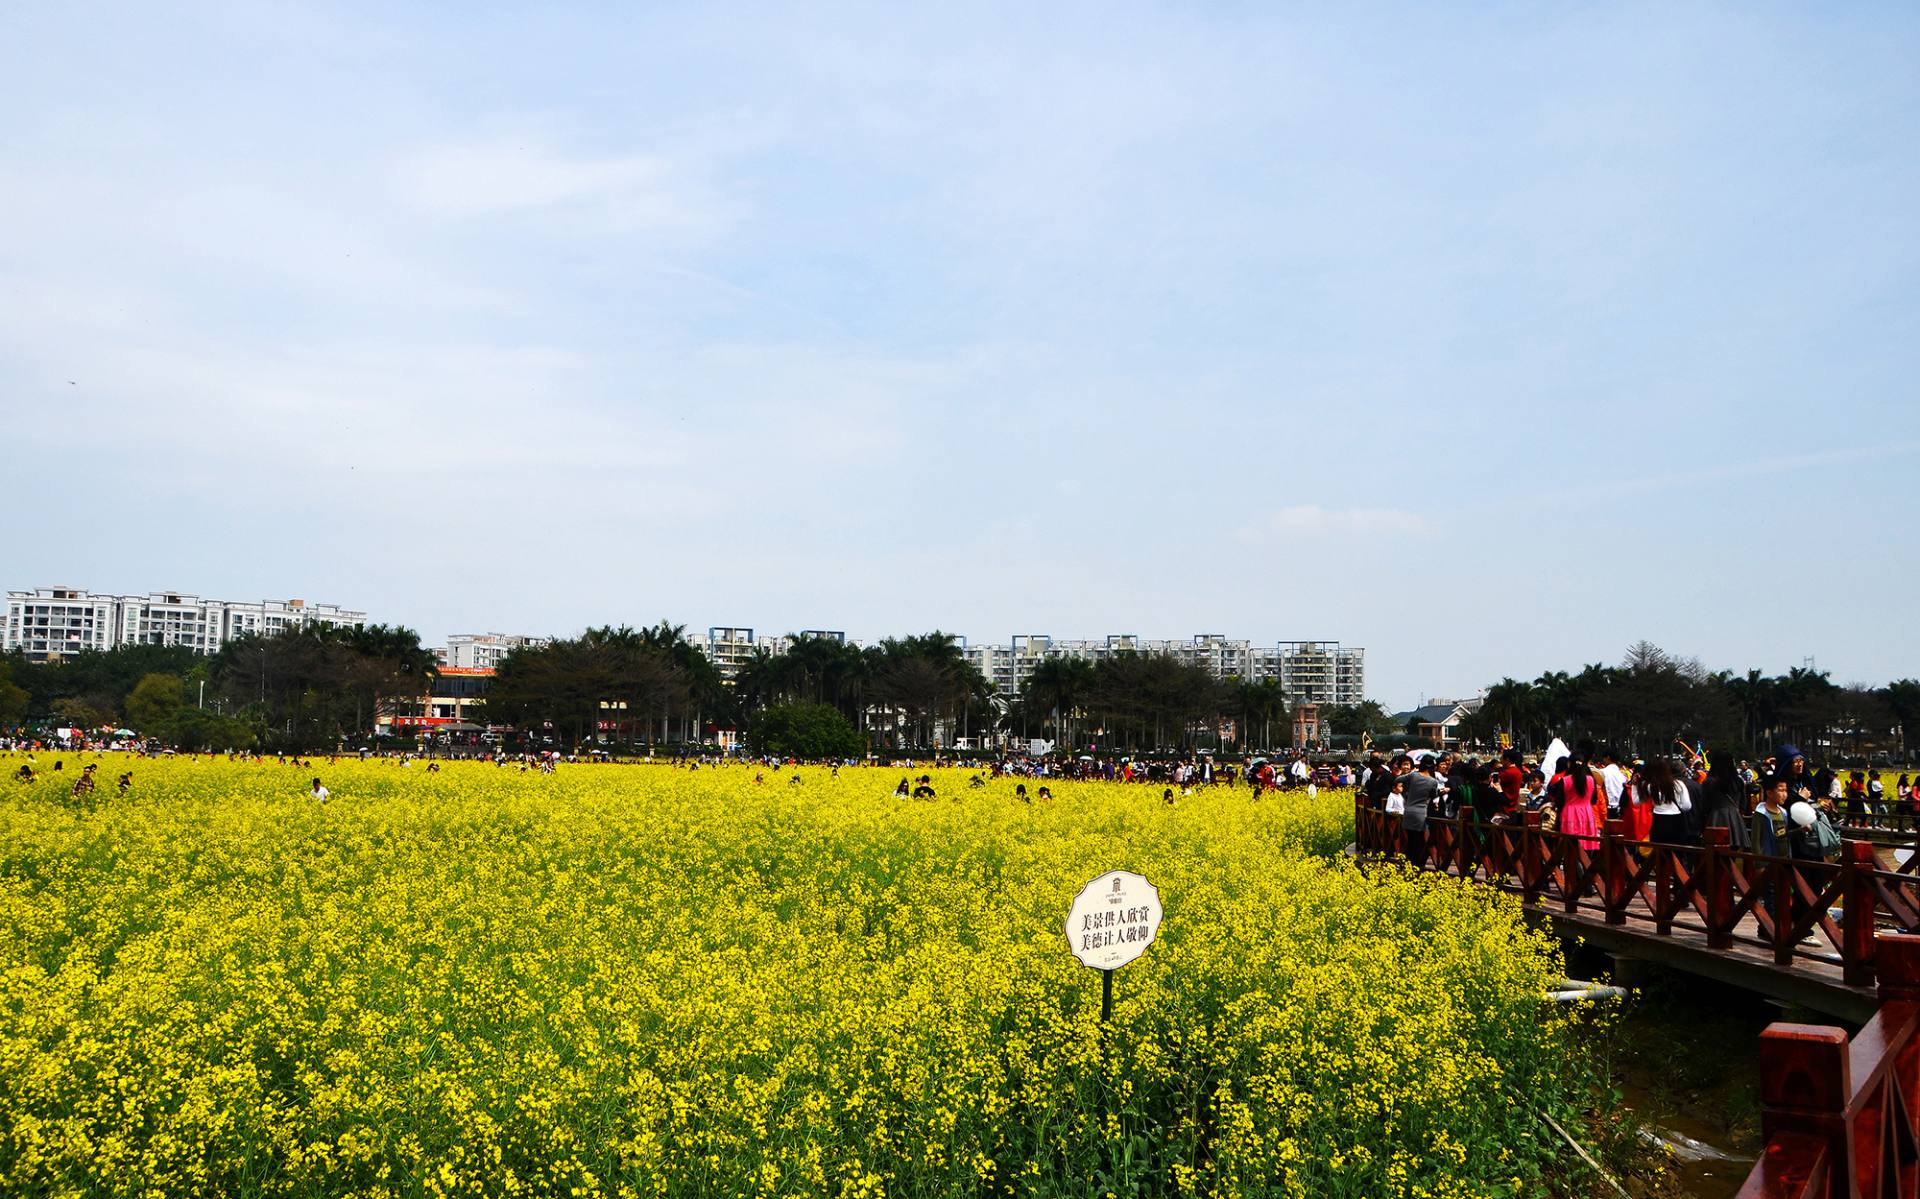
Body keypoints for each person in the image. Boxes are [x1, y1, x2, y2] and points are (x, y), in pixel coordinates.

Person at [1394, 754, 1440, 869]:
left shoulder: (1413, 775)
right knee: (1419, 841)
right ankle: (1416, 865)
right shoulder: (1433, 781)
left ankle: (1407, 864)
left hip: (1408, 812)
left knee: (1410, 840)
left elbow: (1397, 779)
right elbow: (1434, 795)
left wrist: (1407, 788)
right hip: (1421, 814)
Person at [1549, 757, 1603, 852]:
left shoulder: (1564, 780)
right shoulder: (1591, 780)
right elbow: (1594, 800)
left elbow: (1559, 801)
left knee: (1569, 848)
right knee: (1587, 845)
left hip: (1569, 814)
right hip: (1587, 814)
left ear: (1569, 764)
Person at [1698, 756, 1751, 850]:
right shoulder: (1738, 781)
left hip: (1715, 818)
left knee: (1714, 853)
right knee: (1733, 851)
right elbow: (1743, 804)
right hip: (1735, 819)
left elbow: (1704, 805)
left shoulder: (1709, 782)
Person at [1645, 758, 1694, 845]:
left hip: (1658, 821)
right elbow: (1687, 806)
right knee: (1676, 851)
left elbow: (1641, 801)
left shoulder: (1651, 786)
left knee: (1659, 852)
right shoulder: (1679, 784)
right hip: (1676, 821)